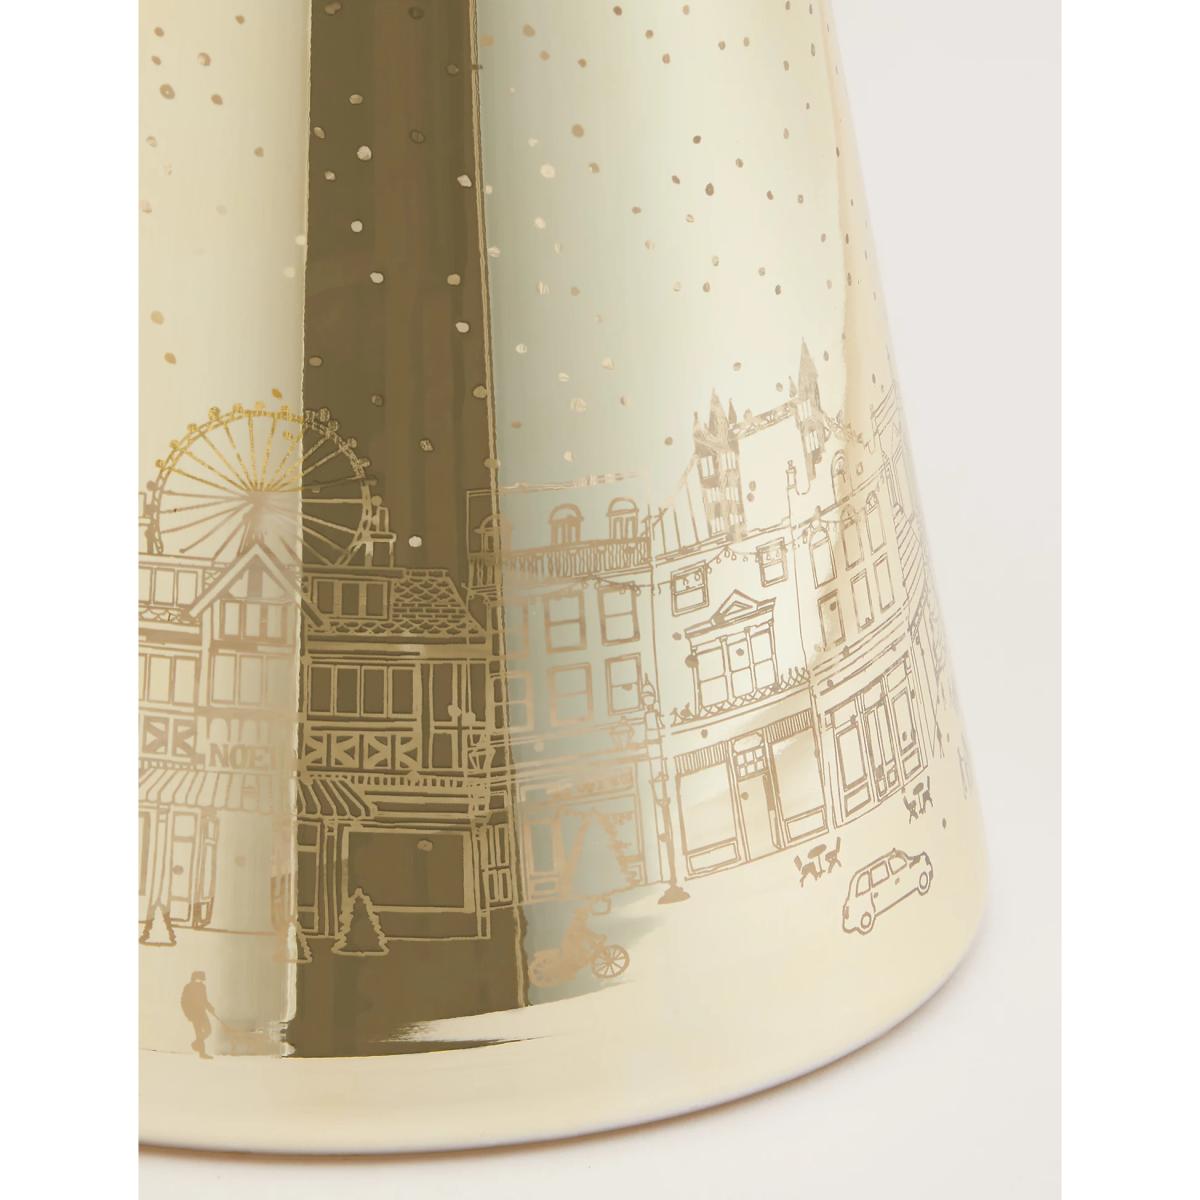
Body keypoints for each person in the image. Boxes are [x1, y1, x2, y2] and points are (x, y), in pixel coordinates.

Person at [180, 971, 217, 1060]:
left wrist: (210, 1008)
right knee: (199, 1033)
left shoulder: (202, 987)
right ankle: (202, 1053)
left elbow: (204, 1000)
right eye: (198, 979)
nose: (199, 981)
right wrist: (188, 1015)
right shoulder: (188, 987)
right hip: (194, 1014)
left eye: (201, 979)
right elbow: (183, 1002)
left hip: (202, 1012)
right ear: (194, 978)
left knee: (208, 1030)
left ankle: (195, 1043)